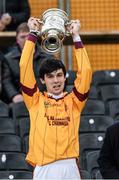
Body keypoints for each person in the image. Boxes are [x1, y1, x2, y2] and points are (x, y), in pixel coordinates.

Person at [20, 17, 92, 179]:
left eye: (59, 75)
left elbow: (86, 72)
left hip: (70, 166)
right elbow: (24, 66)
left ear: (65, 77)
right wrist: (32, 34)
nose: (56, 80)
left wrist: (76, 37)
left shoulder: (75, 101)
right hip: (44, 168)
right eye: (50, 76)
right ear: (42, 80)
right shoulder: (34, 100)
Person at [2, 22, 51, 103]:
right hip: (20, 100)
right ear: (17, 40)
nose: (26, 40)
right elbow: (6, 81)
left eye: (29, 36)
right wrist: (14, 95)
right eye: (22, 37)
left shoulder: (48, 57)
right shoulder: (8, 59)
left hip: (44, 98)